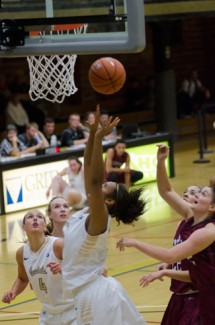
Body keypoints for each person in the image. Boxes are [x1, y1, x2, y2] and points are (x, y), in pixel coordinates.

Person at [61, 105, 147, 324]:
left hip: (96, 294)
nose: (102, 184)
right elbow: (89, 168)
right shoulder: (91, 208)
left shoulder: (100, 218)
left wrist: (99, 138)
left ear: (109, 201)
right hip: (86, 294)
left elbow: (94, 179)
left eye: (106, 186)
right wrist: (92, 136)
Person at [117, 184, 215, 325]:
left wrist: (136, 243)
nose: (195, 195)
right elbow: (166, 190)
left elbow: (170, 256)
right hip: (194, 297)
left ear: (212, 206)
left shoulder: (207, 231)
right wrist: (161, 162)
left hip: (204, 299)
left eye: (202, 194)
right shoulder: (191, 224)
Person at [143, 144, 202, 325]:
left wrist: (168, 271)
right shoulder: (183, 222)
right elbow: (166, 191)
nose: (185, 194)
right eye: (185, 191)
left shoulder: (204, 226)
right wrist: (161, 162)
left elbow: (196, 273)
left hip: (198, 297)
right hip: (178, 297)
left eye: (193, 193)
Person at [2, 208, 76, 325]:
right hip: (48, 315)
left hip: (73, 311)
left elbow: (82, 267)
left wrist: (65, 269)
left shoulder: (58, 245)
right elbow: (22, 278)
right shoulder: (21, 253)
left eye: (39, 216)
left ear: (45, 226)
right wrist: (13, 292)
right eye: (30, 217)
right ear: (23, 227)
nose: (35, 218)